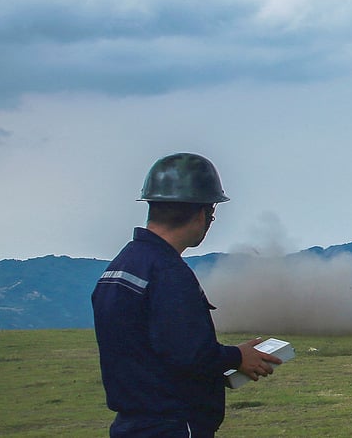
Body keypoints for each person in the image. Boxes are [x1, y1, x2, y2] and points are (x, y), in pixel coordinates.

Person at [92, 153, 282, 437]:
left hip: (132, 424)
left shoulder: (121, 266)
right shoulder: (168, 272)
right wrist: (237, 356)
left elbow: (156, 350)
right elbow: (189, 355)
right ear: (201, 213)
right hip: (172, 425)